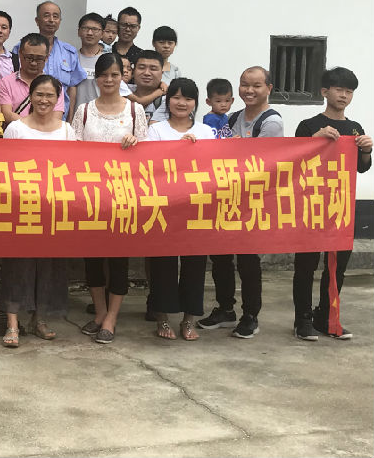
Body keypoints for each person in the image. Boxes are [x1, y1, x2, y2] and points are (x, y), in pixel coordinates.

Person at [200, 66, 283, 339]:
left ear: (268, 88)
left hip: (252, 202)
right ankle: (225, 308)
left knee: (248, 260)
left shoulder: (271, 122)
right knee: (220, 256)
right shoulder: (232, 117)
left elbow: (264, 164)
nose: (249, 90)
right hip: (227, 197)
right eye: (245, 84)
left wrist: (235, 149)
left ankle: (250, 315)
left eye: (256, 85)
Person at [71, 53, 147, 344]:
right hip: (90, 196)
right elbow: (73, 152)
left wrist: (135, 144)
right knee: (92, 258)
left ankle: (112, 317)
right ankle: (100, 313)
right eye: (103, 75)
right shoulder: (84, 111)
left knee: (118, 259)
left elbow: (148, 154)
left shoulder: (135, 110)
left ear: (123, 77)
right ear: (96, 78)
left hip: (123, 196)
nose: (109, 80)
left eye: (115, 74)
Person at [293, 67, 371, 340]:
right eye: (339, 89)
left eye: (349, 91)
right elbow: (294, 161)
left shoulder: (355, 128)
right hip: (311, 205)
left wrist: (366, 150)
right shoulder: (308, 125)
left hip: (341, 207)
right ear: (325, 92)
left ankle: (327, 317)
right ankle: (302, 320)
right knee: (306, 265)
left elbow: (362, 167)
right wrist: (314, 140)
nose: (344, 95)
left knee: (337, 268)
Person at [0, 75, 74, 347]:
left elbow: (76, 168)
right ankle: (12, 323)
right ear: (30, 96)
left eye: (50, 95)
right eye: (39, 94)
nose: (44, 100)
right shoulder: (16, 129)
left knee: (49, 265)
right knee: (16, 264)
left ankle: (39, 319)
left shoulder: (67, 131)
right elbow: (4, 168)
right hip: (22, 208)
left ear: (58, 99)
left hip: (55, 209)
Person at [145, 78, 215, 341]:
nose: (181, 103)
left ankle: (189, 320)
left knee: (195, 265)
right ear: (167, 100)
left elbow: (215, 167)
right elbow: (149, 165)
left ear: (195, 102)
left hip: (196, 208)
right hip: (165, 207)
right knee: (162, 264)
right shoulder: (156, 130)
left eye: (187, 98)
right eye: (175, 97)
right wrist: (177, 151)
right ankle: (162, 318)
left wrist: (194, 151)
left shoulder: (206, 132)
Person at [19, 1, 86, 116]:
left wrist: (70, 118)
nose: (51, 20)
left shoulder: (69, 52)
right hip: (27, 117)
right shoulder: (22, 48)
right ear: (37, 20)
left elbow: (72, 88)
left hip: (60, 118)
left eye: (55, 16)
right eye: (46, 15)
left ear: (60, 21)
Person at [70, 13, 132, 117]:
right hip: (78, 116)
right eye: (85, 28)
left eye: (95, 29)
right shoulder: (71, 58)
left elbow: (120, 91)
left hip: (103, 117)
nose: (90, 33)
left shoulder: (109, 60)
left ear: (102, 33)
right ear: (79, 31)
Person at [0, 33, 64, 125]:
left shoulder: (55, 85)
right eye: (29, 58)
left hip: (45, 133)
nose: (33, 63)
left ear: (47, 57)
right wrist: (32, 127)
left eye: (39, 59)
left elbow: (56, 117)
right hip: (16, 132)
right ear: (20, 54)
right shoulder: (6, 82)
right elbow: (7, 114)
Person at [130, 51, 168, 123]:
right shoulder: (121, 92)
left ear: (162, 73)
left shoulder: (167, 100)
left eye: (153, 69)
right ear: (133, 71)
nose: (147, 73)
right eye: (141, 68)